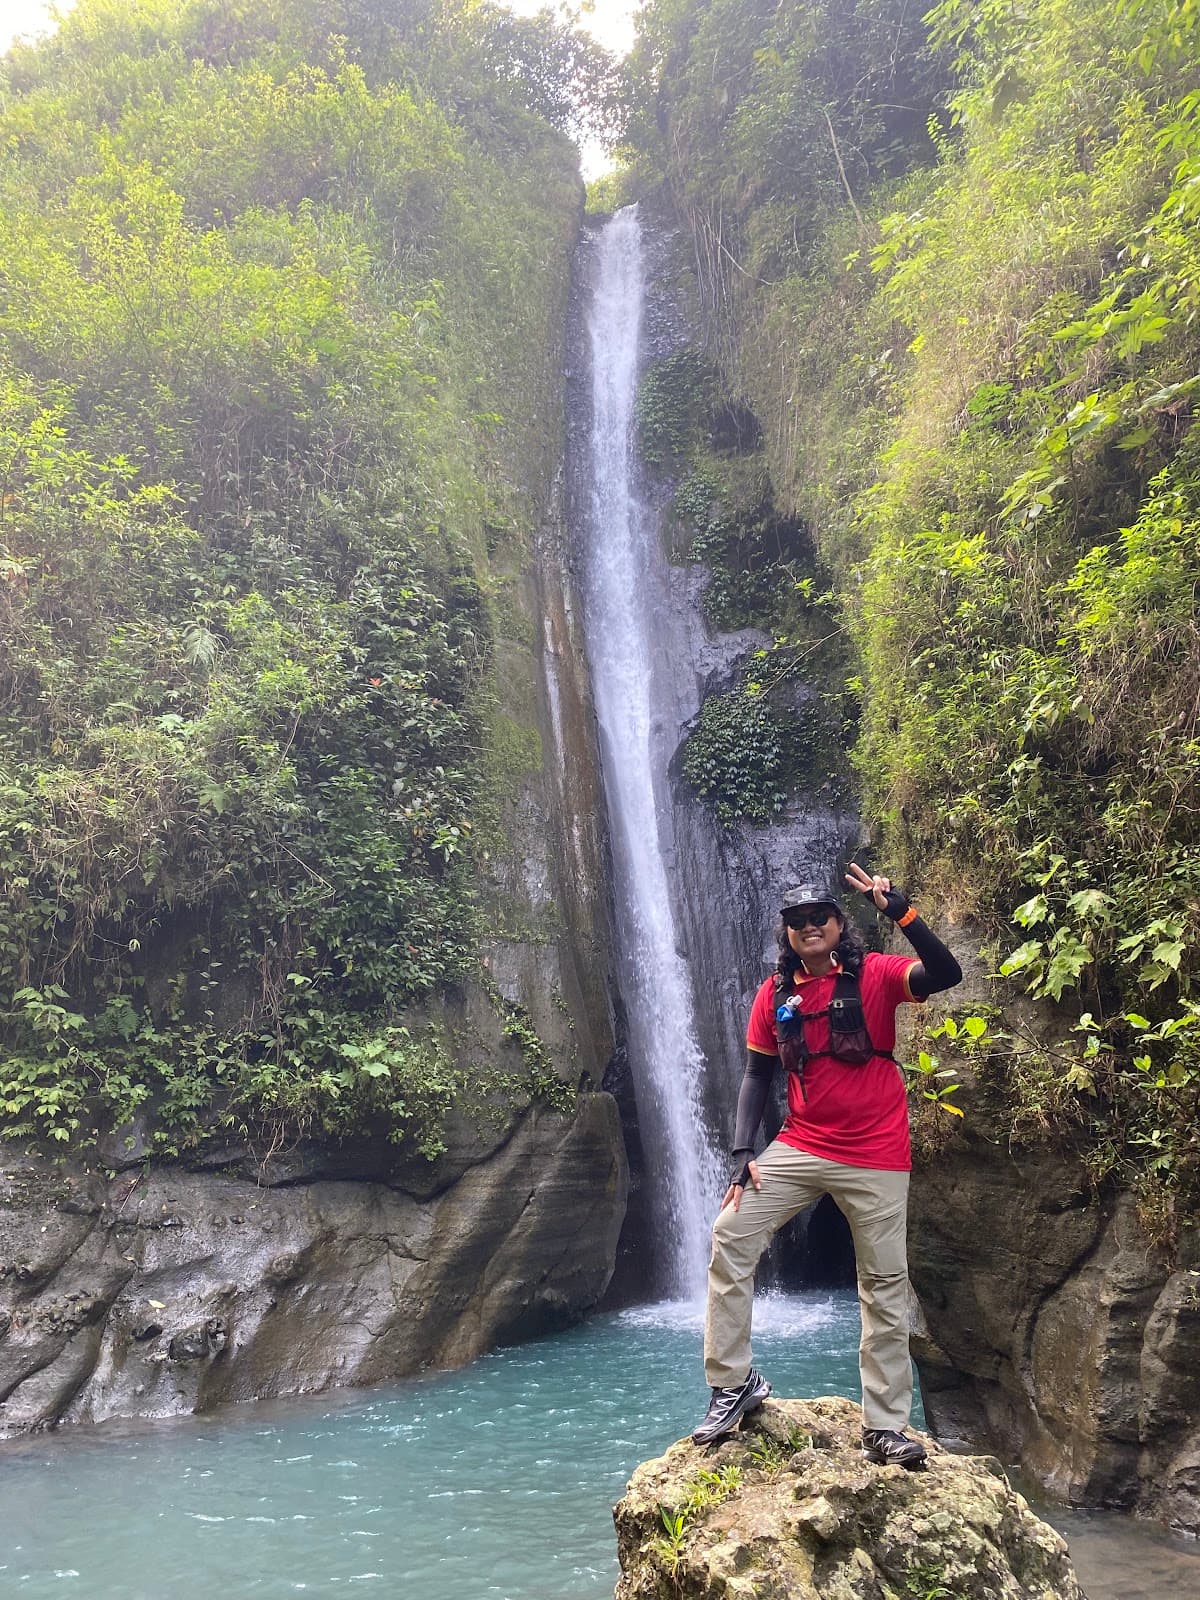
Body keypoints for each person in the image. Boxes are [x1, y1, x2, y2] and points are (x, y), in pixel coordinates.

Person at [691, 863, 962, 1465]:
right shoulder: (774, 995)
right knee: (731, 1232)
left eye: (820, 916)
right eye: (797, 920)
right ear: (786, 933)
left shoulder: (877, 975)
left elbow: (946, 972)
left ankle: (885, 1427)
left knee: (884, 1285)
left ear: (839, 924)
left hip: (877, 1153)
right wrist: (742, 1154)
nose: (809, 926)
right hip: (802, 1145)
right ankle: (733, 1383)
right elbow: (757, 1074)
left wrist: (901, 911)